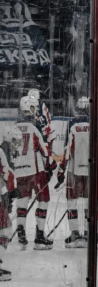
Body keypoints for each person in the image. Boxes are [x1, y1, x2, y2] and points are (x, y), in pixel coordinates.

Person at [15, 95, 54, 250]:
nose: (35, 110)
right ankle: (39, 237)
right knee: (43, 200)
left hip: (19, 172)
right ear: (29, 108)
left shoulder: (14, 127)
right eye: (33, 107)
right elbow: (44, 151)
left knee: (22, 200)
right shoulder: (34, 127)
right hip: (36, 171)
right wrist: (51, 167)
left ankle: (21, 233)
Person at [57, 97, 90, 249]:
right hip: (91, 169)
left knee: (72, 201)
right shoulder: (94, 123)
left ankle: (75, 233)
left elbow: (68, 149)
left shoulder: (72, 124)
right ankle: (89, 233)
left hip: (73, 169)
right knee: (90, 202)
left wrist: (61, 169)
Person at [0, 127, 21, 280]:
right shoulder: (2, 152)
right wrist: (10, 192)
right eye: (15, 141)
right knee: (6, 229)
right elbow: (6, 174)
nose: (17, 144)